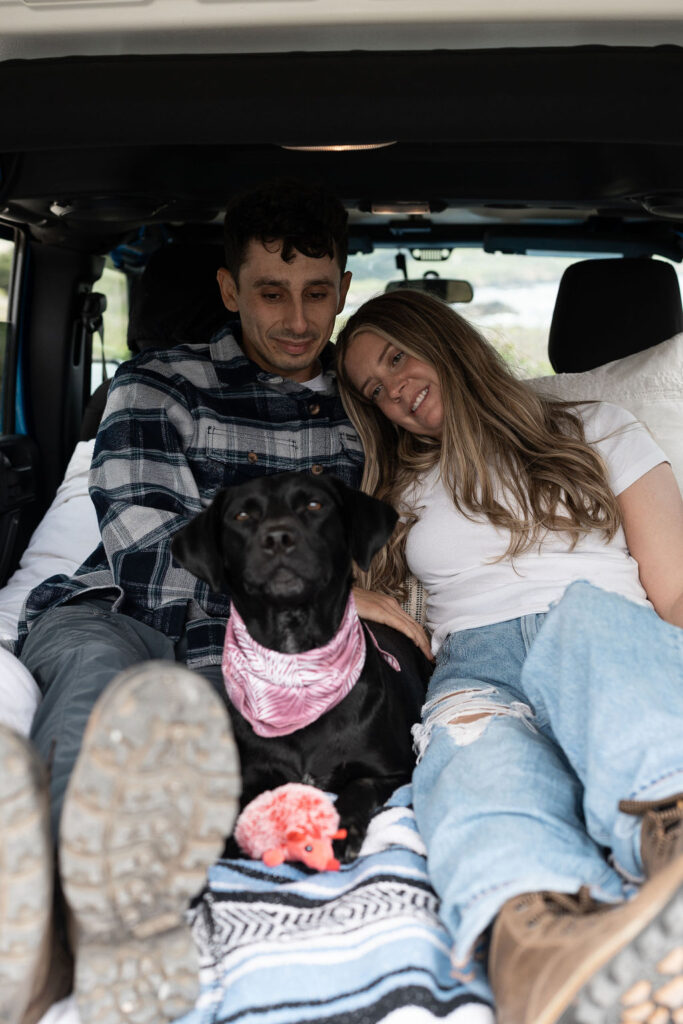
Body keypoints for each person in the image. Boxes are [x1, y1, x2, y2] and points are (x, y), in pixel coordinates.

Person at [1, 181, 431, 1024]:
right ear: (231, 290)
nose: (298, 318)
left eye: (316, 293)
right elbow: (152, 559)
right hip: (120, 612)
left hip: (299, 640)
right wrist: (282, 647)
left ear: (343, 288)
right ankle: (45, 920)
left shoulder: (368, 408)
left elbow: (404, 534)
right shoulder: (159, 386)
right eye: (271, 292)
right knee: (108, 691)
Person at [336, 287, 683, 1024]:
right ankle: (550, 954)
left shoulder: (596, 426)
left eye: (396, 356)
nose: (392, 389)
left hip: (603, 631)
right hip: (477, 666)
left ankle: (673, 841)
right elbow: (361, 614)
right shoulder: (392, 489)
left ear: (444, 340)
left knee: (592, 636)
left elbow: (675, 590)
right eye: (374, 389)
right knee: (473, 768)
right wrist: (350, 599)